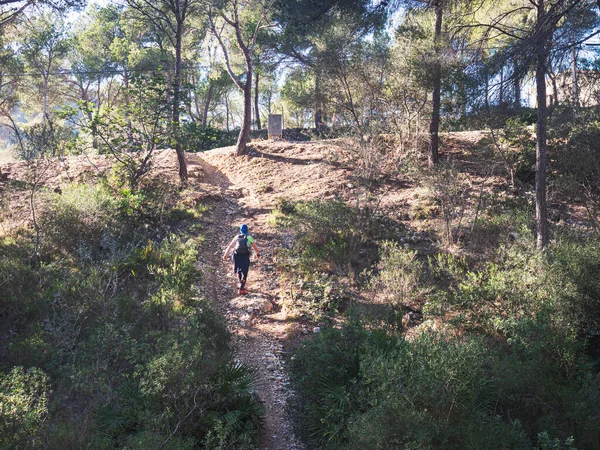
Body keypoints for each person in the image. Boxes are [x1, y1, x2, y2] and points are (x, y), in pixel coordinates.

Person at [222, 224, 260, 295]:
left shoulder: (237, 237)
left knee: (238, 270)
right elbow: (255, 248)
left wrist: (225, 254)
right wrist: (258, 254)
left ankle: (240, 283)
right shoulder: (249, 238)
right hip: (245, 256)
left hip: (236, 256)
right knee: (245, 272)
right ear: (247, 230)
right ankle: (241, 289)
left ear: (240, 230)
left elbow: (230, 246)